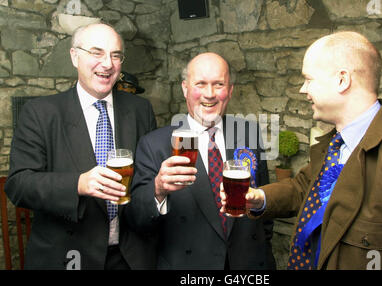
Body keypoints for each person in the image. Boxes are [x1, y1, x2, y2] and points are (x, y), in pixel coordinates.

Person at [221, 31, 382, 270]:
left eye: (308, 79)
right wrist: (257, 198)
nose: (302, 89)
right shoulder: (334, 146)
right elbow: (305, 189)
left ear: (342, 80)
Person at [5, 23, 157, 270]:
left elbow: (147, 181)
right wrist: (78, 184)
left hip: (131, 258)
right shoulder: (40, 113)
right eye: (97, 53)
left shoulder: (140, 110)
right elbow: (18, 184)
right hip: (67, 256)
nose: (107, 63)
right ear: (75, 56)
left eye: (115, 55)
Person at [124, 52, 276, 270]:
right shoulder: (154, 144)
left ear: (230, 90)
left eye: (218, 84)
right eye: (201, 84)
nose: (209, 94)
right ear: (185, 88)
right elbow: (136, 220)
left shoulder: (248, 131)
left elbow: (264, 201)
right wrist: (158, 190)